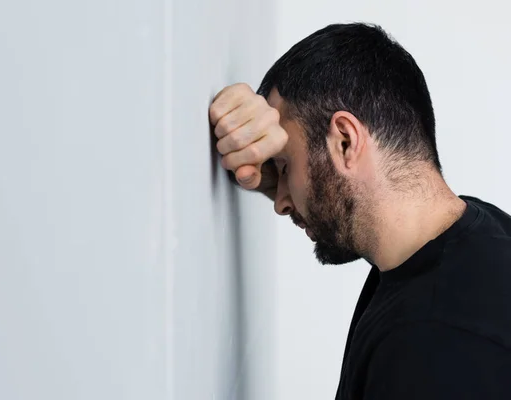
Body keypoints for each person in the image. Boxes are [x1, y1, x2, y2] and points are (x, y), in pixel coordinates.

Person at [209, 22, 511, 399]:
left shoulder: (433, 343)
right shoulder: (482, 237)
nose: (281, 201)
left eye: (284, 167)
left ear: (345, 141)